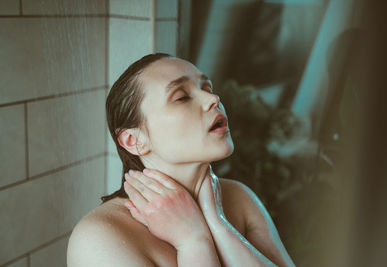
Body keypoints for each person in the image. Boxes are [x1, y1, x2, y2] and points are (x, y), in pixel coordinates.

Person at [67, 53, 295, 267]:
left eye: (207, 88)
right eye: (182, 97)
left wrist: (219, 225)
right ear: (133, 140)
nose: (213, 99)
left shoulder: (240, 197)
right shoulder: (100, 236)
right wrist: (193, 241)